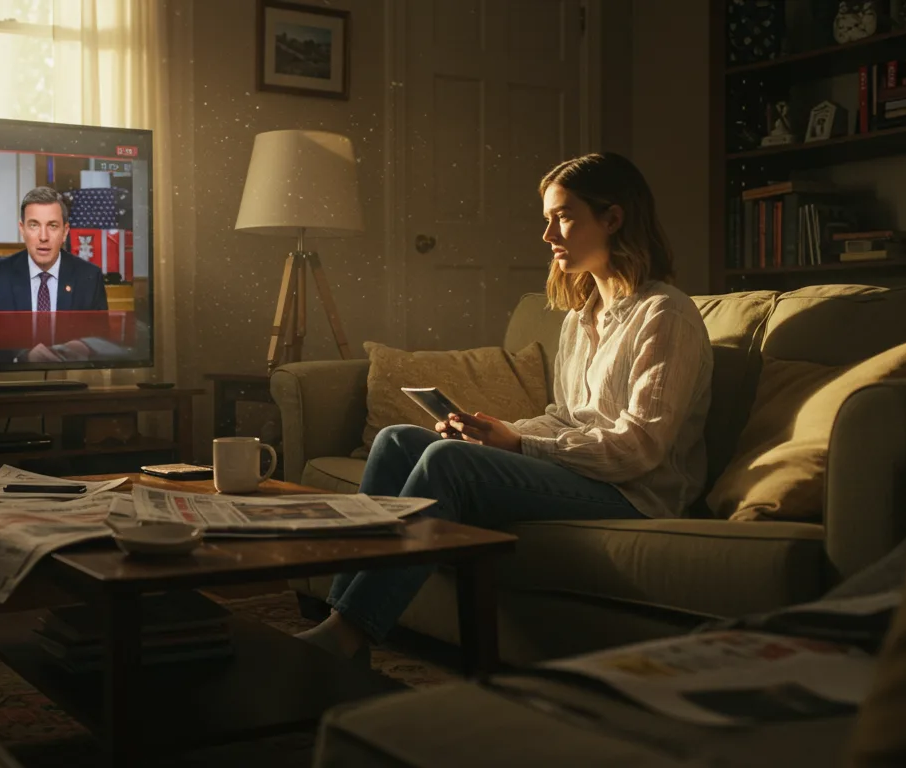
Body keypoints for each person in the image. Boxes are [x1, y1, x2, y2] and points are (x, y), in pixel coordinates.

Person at [295, 152, 715, 661]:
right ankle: (342, 618)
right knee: (398, 440)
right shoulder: (581, 317)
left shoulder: (665, 314)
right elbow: (567, 416)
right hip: (585, 473)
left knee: (449, 462)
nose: (548, 234)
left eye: (563, 217)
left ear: (612, 218)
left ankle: (347, 634)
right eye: (547, 219)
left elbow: (639, 450)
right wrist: (493, 430)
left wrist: (520, 445)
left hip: (635, 495)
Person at [0, 186, 109, 313]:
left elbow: (98, 329)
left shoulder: (89, 278)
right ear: (22, 229)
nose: (43, 237)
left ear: (65, 231)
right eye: (34, 225)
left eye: (52, 226)